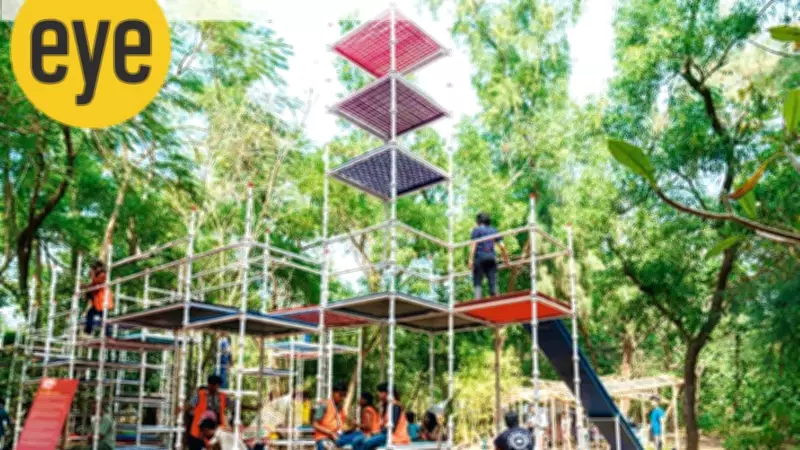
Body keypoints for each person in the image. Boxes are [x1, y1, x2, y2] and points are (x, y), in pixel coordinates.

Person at [353, 383, 410, 450]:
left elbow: (392, 428)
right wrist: (373, 434)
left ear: (387, 393)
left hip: (395, 436)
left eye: (380, 392)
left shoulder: (395, 406)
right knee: (357, 441)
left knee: (367, 442)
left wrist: (373, 434)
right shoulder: (385, 406)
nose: (378, 394)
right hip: (384, 434)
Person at [469, 213, 509, 299]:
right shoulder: (494, 230)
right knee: (493, 281)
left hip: (479, 257)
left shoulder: (476, 230)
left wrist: (470, 260)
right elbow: (502, 246)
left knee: (477, 281)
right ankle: (495, 300)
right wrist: (506, 259)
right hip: (491, 258)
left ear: (478, 221)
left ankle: (477, 300)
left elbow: (473, 246)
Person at [188, 375, 229, 450]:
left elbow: (234, 405)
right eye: (213, 385)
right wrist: (182, 408)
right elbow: (190, 404)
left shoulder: (223, 396)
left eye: (217, 386)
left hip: (215, 432)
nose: (215, 387)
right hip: (198, 432)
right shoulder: (200, 394)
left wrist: (250, 407)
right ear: (209, 385)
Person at [82, 260, 113, 336]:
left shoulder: (103, 275)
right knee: (91, 314)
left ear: (99, 268)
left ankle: (107, 334)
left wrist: (92, 275)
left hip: (102, 302)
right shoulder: (97, 276)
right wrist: (84, 287)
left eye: (95, 268)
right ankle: (88, 331)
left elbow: (96, 283)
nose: (94, 270)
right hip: (98, 303)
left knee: (102, 317)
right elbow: (92, 287)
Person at [313, 383, 348, 450]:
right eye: (340, 395)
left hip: (337, 437)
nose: (342, 398)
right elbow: (315, 424)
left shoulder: (340, 407)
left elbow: (344, 423)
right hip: (323, 438)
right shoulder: (324, 404)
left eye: (344, 396)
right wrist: (331, 433)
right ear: (333, 392)